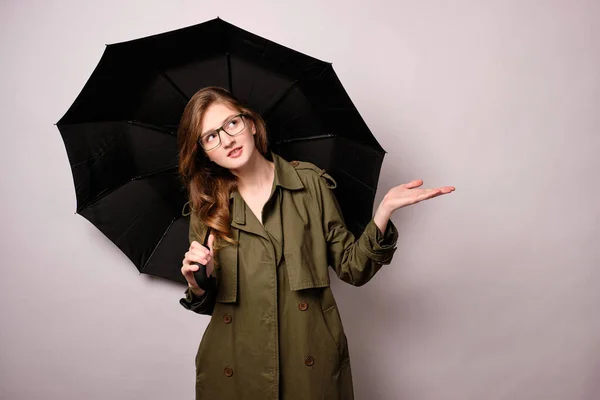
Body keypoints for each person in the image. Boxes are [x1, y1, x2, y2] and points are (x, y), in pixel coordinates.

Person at [177, 86, 455, 400]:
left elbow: (354, 269)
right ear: (203, 151)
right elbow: (206, 302)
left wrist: (383, 212)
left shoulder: (309, 184)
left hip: (309, 362)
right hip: (234, 366)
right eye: (210, 136)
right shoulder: (208, 206)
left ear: (251, 124)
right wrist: (198, 281)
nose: (226, 139)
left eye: (231, 124)